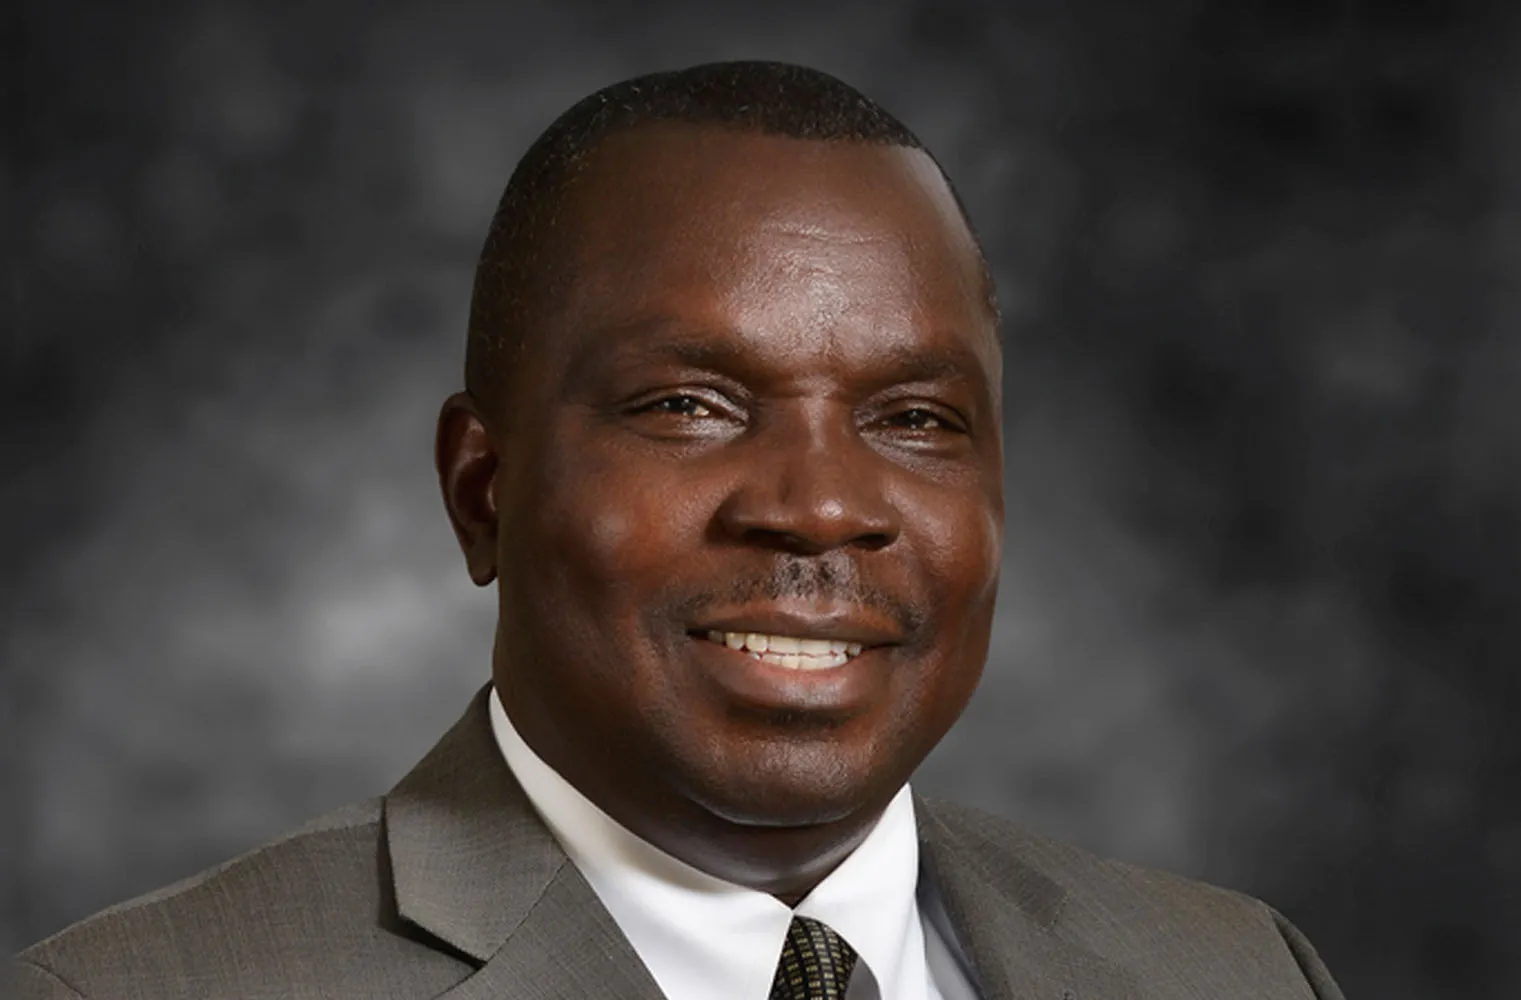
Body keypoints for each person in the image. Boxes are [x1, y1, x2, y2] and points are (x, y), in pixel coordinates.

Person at [13, 61, 1345, 1000]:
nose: (819, 507)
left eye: (915, 419)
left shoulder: (1238, 972)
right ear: (483, 491)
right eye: (689, 406)